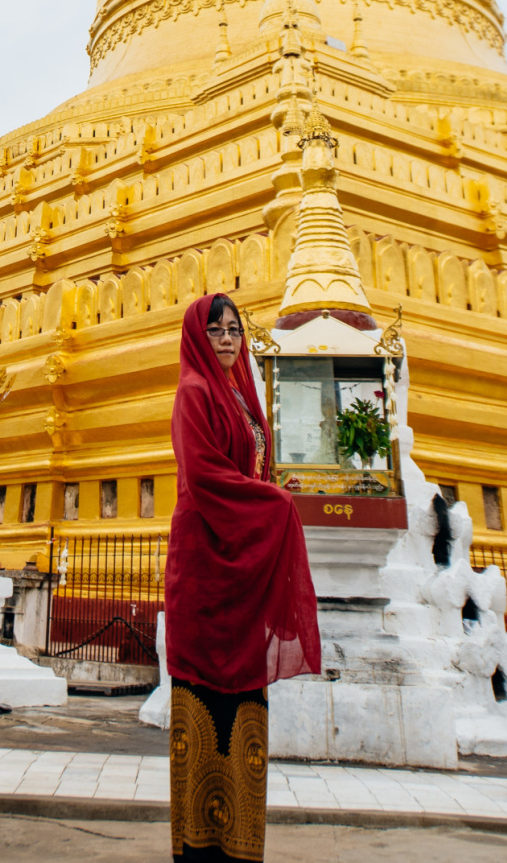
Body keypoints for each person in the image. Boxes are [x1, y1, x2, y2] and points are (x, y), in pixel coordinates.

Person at [165, 292, 321, 862]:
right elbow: (206, 478)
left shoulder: (241, 397)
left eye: (234, 330)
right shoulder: (194, 393)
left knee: (246, 710)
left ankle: (239, 845)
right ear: (197, 337)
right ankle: (199, 849)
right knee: (207, 706)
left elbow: (251, 470)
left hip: (242, 573)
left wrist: (277, 489)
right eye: (216, 330)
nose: (228, 339)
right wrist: (272, 503)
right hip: (206, 570)